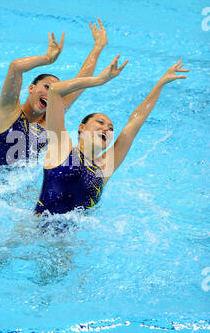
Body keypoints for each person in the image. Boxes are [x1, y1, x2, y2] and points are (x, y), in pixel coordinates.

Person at [34, 57, 189, 215]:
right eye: (100, 122)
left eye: (110, 128)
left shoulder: (104, 168)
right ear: (82, 127)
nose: (106, 129)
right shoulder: (62, 148)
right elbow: (55, 92)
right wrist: (99, 80)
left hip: (71, 240)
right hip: (31, 235)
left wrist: (161, 83)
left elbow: (135, 122)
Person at [0, 18, 109, 166]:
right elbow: (15, 67)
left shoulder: (51, 119)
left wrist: (98, 47)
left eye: (54, 92)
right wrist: (47, 59)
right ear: (31, 88)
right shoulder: (9, 111)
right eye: (47, 87)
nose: (50, 94)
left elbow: (81, 82)